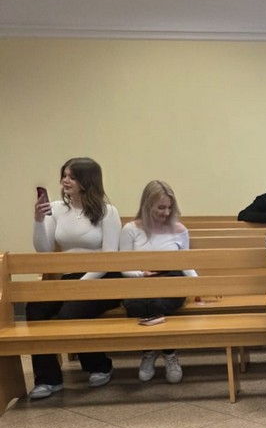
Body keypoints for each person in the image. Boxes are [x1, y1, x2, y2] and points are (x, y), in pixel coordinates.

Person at [27, 157, 122, 399]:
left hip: (102, 278)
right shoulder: (57, 209)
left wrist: (80, 286)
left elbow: (110, 257)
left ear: (87, 180)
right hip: (68, 278)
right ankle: (48, 379)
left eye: (72, 176)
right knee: (35, 309)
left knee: (70, 313)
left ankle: (100, 365)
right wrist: (38, 221)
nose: (65, 181)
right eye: (64, 175)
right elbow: (44, 250)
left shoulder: (107, 212)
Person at [119, 181, 197, 384]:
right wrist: (140, 274)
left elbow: (185, 263)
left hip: (171, 279)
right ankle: (155, 351)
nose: (166, 212)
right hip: (139, 281)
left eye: (169, 207)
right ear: (147, 205)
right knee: (138, 304)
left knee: (157, 302)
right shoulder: (130, 229)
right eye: (161, 207)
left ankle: (163, 352)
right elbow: (123, 267)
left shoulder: (179, 230)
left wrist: (198, 285)